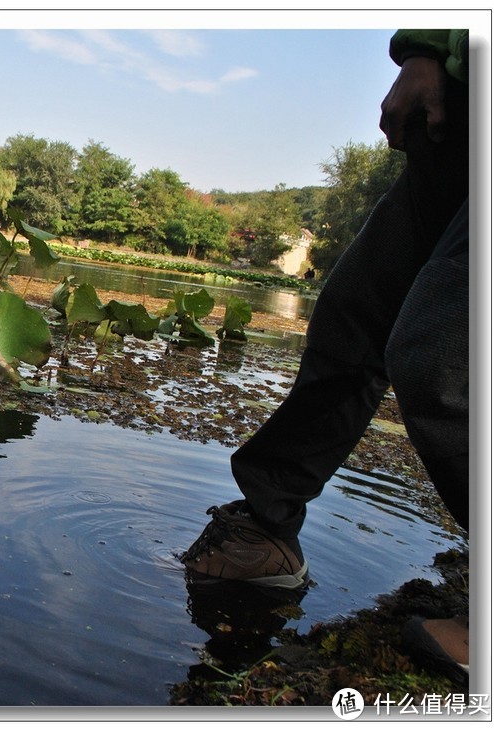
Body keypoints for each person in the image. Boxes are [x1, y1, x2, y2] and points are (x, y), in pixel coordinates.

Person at [180, 29, 470, 678]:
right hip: (466, 113)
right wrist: (427, 51)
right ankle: (268, 527)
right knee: (353, 315)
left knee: (435, 358)